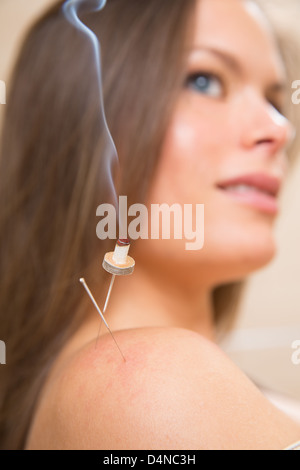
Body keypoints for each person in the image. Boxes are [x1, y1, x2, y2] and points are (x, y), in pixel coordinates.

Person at [0, 0, 299, 450]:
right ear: (82, 122)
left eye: (275, 99)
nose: (279, 128)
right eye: (205, 80)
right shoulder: (149, 381)